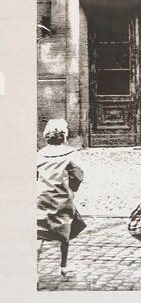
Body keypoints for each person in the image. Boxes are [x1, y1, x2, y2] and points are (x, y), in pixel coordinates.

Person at [37, 119, 85, 281]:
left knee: (38, 232)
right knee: (64, 233)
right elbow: (78, 175)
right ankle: (63, 266)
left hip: (42, 196)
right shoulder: (71, 153)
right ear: (64, 135)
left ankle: (34, 269)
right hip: (62, 196)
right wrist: (72, 189)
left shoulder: (40, 154)